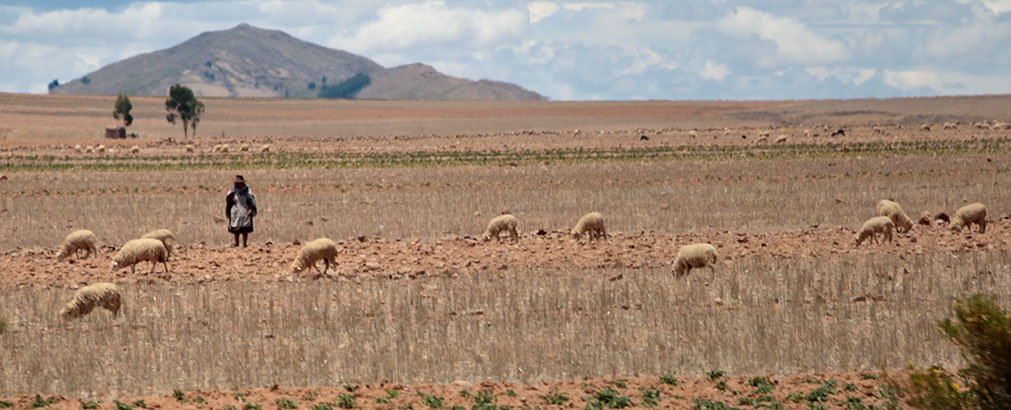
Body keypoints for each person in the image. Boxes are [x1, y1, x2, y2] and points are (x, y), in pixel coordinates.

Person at [226, 175, 257, 247]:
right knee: (236, 229)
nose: (239, 184)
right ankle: (236, 243)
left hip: (245, 211)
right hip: (236, 212)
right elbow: (228, 202)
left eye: (241, 183)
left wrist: (251, 209)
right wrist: (228, 212)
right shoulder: (232, 192)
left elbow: (252, 201)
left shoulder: (248, 192)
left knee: (245, 229)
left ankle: (244, 244)